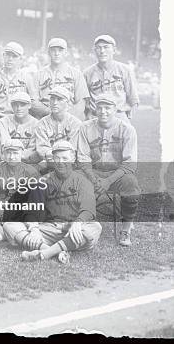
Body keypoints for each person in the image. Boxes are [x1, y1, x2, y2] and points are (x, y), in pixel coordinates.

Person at [4, 141, 102, 264]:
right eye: (57, 158)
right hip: (49, 229)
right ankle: (57, 250)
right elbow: (32, 209)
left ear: (73, 158)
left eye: (65, 158)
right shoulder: (43, 181)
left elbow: (88, 209)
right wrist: (34, 229)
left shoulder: (82, 181)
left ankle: (44, 253)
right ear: (53, 160)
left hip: (73, 229)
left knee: (95, 227)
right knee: (9, 226)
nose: (61, 162)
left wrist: (78, 223)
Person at [77, 94, 140, 246]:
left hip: (117, 173)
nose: (103, 111)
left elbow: (130, 164)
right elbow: (83, 160)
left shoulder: (127, 129)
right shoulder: (85, 127)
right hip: (94, 172)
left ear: (116, 109)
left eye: (107, 107)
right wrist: (95, 180)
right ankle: (78, 223)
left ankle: (126, 229)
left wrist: (108, 181)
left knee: (131, 183)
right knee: (74, 178)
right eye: (99, 107)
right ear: (94, 109)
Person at [0, 139, 44, 241]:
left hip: (20, 212)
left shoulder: (31, 171)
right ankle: (4, 233)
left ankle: (1, 235)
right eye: (8, 153)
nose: (12, 157)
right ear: (3, 154)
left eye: (15, 153)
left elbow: (37, 199)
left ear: (22, 153)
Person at [83, 34, 139, 123]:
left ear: (114, 50)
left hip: (118, 115)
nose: (102, 51)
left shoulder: (125, 70)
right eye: (98, 48)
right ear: (94, 51)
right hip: (95, 117)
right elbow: (84, 101)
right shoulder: (87, 73)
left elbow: (133, 99)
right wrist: (88, 115)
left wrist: (125, 117)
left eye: (106, 47)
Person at [34, 37, 89, 120]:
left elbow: (81, 103)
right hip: (45, 119)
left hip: (70, 119)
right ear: (48, 52)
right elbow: (33, 102)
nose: (57, 53)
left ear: (66, 52)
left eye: (60, 50)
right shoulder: (38, 75)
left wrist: (66, 118)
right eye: (53, 50)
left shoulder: (76, 74)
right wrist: (50, 113)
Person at [0, 41, 39, 120]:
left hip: (18, 119)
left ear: (20, 59)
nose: (10, 59)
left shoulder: (27, 78)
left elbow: (33, 102)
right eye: (8, 55)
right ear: (3, 56)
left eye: (14, 56)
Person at [35, 86, 82, 163]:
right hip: (49, 161)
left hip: (69, 162)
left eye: (59, 99)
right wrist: (53, 157)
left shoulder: (76, 123)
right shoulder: (42, 123)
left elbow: (73, 150)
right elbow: (42, 148)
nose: (55, 103)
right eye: (52, 98)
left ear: (67, 103)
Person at [0, 91, 40, 163]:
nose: (19, 108)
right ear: (11, 106)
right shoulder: (3, 122)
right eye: (15, 105)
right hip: (7, 161)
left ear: (29, 105)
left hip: (28, 162)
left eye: (22, 105)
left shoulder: (36, 124)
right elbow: (5, 147)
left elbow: (31, 151)